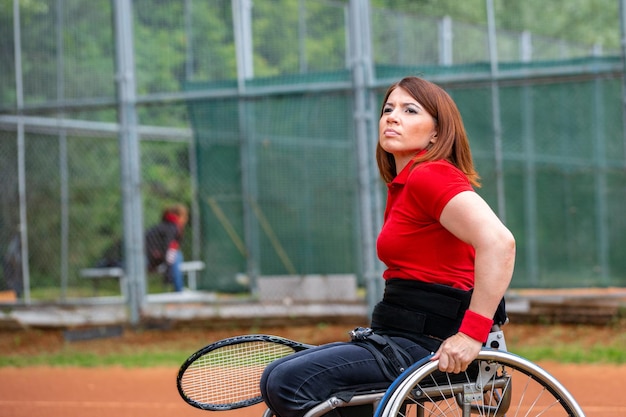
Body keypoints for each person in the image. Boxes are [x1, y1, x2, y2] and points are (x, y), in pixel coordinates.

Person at [260, 76, 516, 417]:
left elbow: (500, 243)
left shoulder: (431, 175)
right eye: (388, 109)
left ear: (437, 133)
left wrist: (471, 335)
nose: (392, 117)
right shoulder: (405, 183)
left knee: (289, 382)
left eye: (410, 111)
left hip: (429, 346)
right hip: (397, 336)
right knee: (277, 376)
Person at [145, 203, 189, 292]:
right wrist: (168, 273)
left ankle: (178, 290)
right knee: (177, 256)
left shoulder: (166, 225)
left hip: (153, 256)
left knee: (176, 255)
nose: (186, 219)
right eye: (185, 216)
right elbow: (168, 249)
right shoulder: (172, 227)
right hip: (149, 257)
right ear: (179, 216)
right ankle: (178, 291)